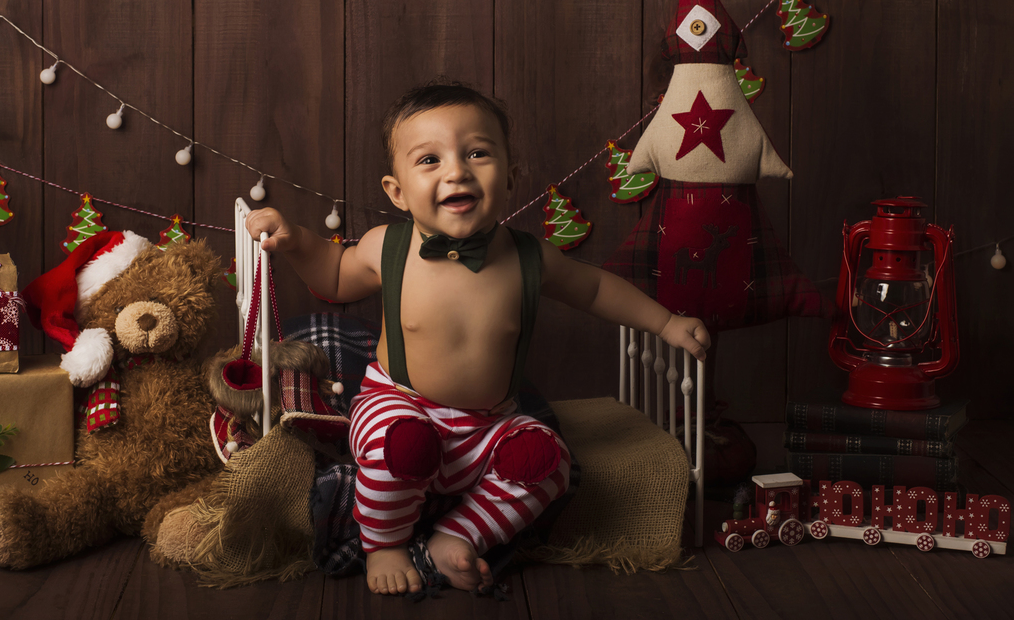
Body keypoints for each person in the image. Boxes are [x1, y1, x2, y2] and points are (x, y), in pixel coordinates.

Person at [246, 82, 709, 596]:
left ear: (509, 178)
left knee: (546, 461)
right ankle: (385, 543)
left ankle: (457, 535)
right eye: (429, 160)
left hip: (492, 420)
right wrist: (295, 241)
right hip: (398, 402)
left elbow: (596, 288)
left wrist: (666, 323)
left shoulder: (530, 257)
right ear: (397, 192)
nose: (456, 170)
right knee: (396, 444)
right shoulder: (387, 247)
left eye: (477, 153)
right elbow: (332, 274)